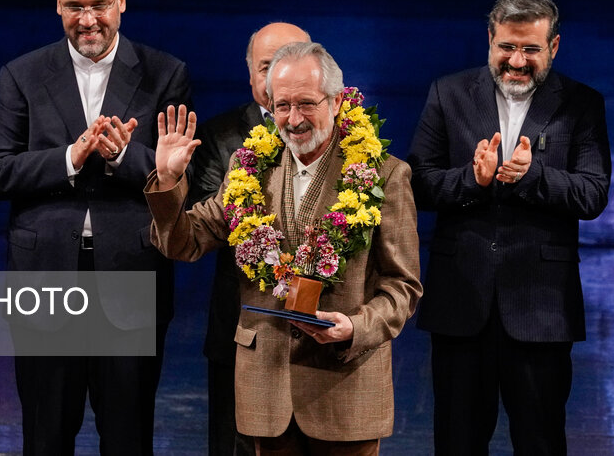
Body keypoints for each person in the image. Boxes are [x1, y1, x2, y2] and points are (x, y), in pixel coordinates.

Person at [146, 41, 422, 455]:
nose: (294, 120)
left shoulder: (385, 175)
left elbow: (403, 287)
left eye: (307, 104)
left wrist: (356, 328)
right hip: (266, 392)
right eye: (282, 106)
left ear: (336, 101)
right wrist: (168, 181)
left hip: (346, 392)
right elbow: (183, 242)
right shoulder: (249, 169)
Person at [0, 0, 192, 455]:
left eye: (99, 4)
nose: (88, 19)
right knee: (46, 437)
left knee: (128, 437)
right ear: (57, 3)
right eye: (75, 6)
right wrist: (70, 158)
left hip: (132, 280)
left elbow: (186, 179)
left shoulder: (165, 72)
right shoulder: (22, 75)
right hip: (45, 283)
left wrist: (124, 158)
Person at [408, 0, 610, 455]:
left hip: (541, 310)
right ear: (490, 40)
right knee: (457, 442)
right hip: (461, 303)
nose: (517, 61)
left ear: (553, 47)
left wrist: (532, 176)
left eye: (531, 49)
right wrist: (471, 180)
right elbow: (417, 184)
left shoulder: (582, 103)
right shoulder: (449, 92)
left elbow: (593, 193)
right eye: (507, 47)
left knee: (540, 442)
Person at [189, 22, 310, 456]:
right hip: (242, 329)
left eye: (289, 61)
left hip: (322, 334)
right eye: (266, 67)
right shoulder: (219, 135)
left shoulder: (351, 137)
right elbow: (201, 219)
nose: (277, 75)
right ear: (250, 76)